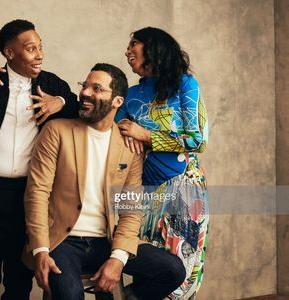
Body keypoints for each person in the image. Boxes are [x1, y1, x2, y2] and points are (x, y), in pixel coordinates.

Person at [23, 63, 186, 300]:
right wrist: (40, 249)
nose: (86, 92)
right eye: (85, 86)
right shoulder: (56, 131)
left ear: (117, 101)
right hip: (61, 241)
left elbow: (131, 210)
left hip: (106, 240)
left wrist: (118, 258)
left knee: (172, 270)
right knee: (70, 295)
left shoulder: (128, 146)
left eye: (97, 88)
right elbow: (37, 193)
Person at [0, 19, 79, 300]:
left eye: (40, 47)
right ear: (9, 52)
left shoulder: (50, 83)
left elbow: (78, 105)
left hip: (30, 196)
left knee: (18, 280)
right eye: (30, 48)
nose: (39, 54)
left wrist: (60, 102)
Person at [116, 27, 209, 299]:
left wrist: (144, 135)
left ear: (154, 49)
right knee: (150, 264)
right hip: (141, 192)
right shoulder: (130, 94)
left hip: (184, 188)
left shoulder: (185, 85)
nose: (127, 50)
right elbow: (111, 133)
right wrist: (124, 126)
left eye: (134, 43)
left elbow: (198, 139)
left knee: (183, 268)